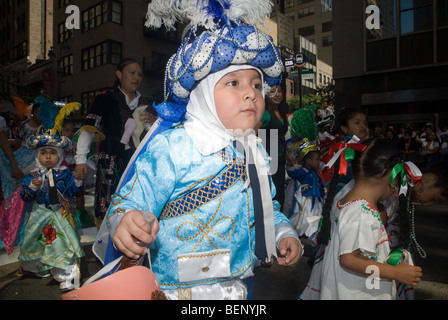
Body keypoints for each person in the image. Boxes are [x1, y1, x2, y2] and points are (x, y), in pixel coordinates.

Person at [98, 0, 302, 300]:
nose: (250, 93)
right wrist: (126, 221)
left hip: (239, 286)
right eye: (233, 82)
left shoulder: (253, 148)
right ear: (203, 94)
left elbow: (265, 206)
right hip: (179, 291)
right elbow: (128, 201)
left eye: (257, 85)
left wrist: (284, 233)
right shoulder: (174, 147)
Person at [319, 138, 422, 299]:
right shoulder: (362, 213)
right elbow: (349, 259)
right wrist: (395, 272)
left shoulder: (347, 202)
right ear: (391, 174)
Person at [74, 58, 158, 228]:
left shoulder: (146, 103)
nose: (136, 78)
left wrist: (154, 121)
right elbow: (89, 130)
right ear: (119, 74)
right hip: (110, 160)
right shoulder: (105, 99)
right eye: (131, 73)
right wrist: (80, 160)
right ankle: (107, 245)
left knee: (138, 203)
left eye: (139, 74)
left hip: (138, 162)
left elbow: (156, 135)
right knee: (108, 204)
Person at [18, 102, 85, 291]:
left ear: (60, 154)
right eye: (44, 153)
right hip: (40, 215)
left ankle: (69, 276)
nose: (48, 157)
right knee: (37, 241)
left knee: (63, 243)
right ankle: (41, 268)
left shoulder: (64, 173)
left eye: (53, 153)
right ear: (37, 155)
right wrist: (32, 187)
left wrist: (78, 181)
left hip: (60, 214)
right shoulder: (33, 175)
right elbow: (25, 196)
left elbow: (71, 192)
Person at [256, 84, 289, 210]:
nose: (277, 94)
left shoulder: (281, 112)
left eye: (279, 91)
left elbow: (280, 137)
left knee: (280, 194)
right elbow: (252, 134)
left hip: (280, 159)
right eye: (272, 91)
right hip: (270, 159)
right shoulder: (265, 113)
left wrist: (287, 155)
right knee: (274, 195)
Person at [285, 138, 325, 238]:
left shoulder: (315, 173)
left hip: (315, 199)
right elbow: (293, 173)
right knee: (303, 214)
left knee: (315, 213)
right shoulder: (302, 172)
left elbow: (320, 184)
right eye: (317, 159)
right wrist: (290, 165)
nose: (319, 162)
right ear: (308, 160)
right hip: (305, 199)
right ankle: (299, 230)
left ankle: (312, 231)